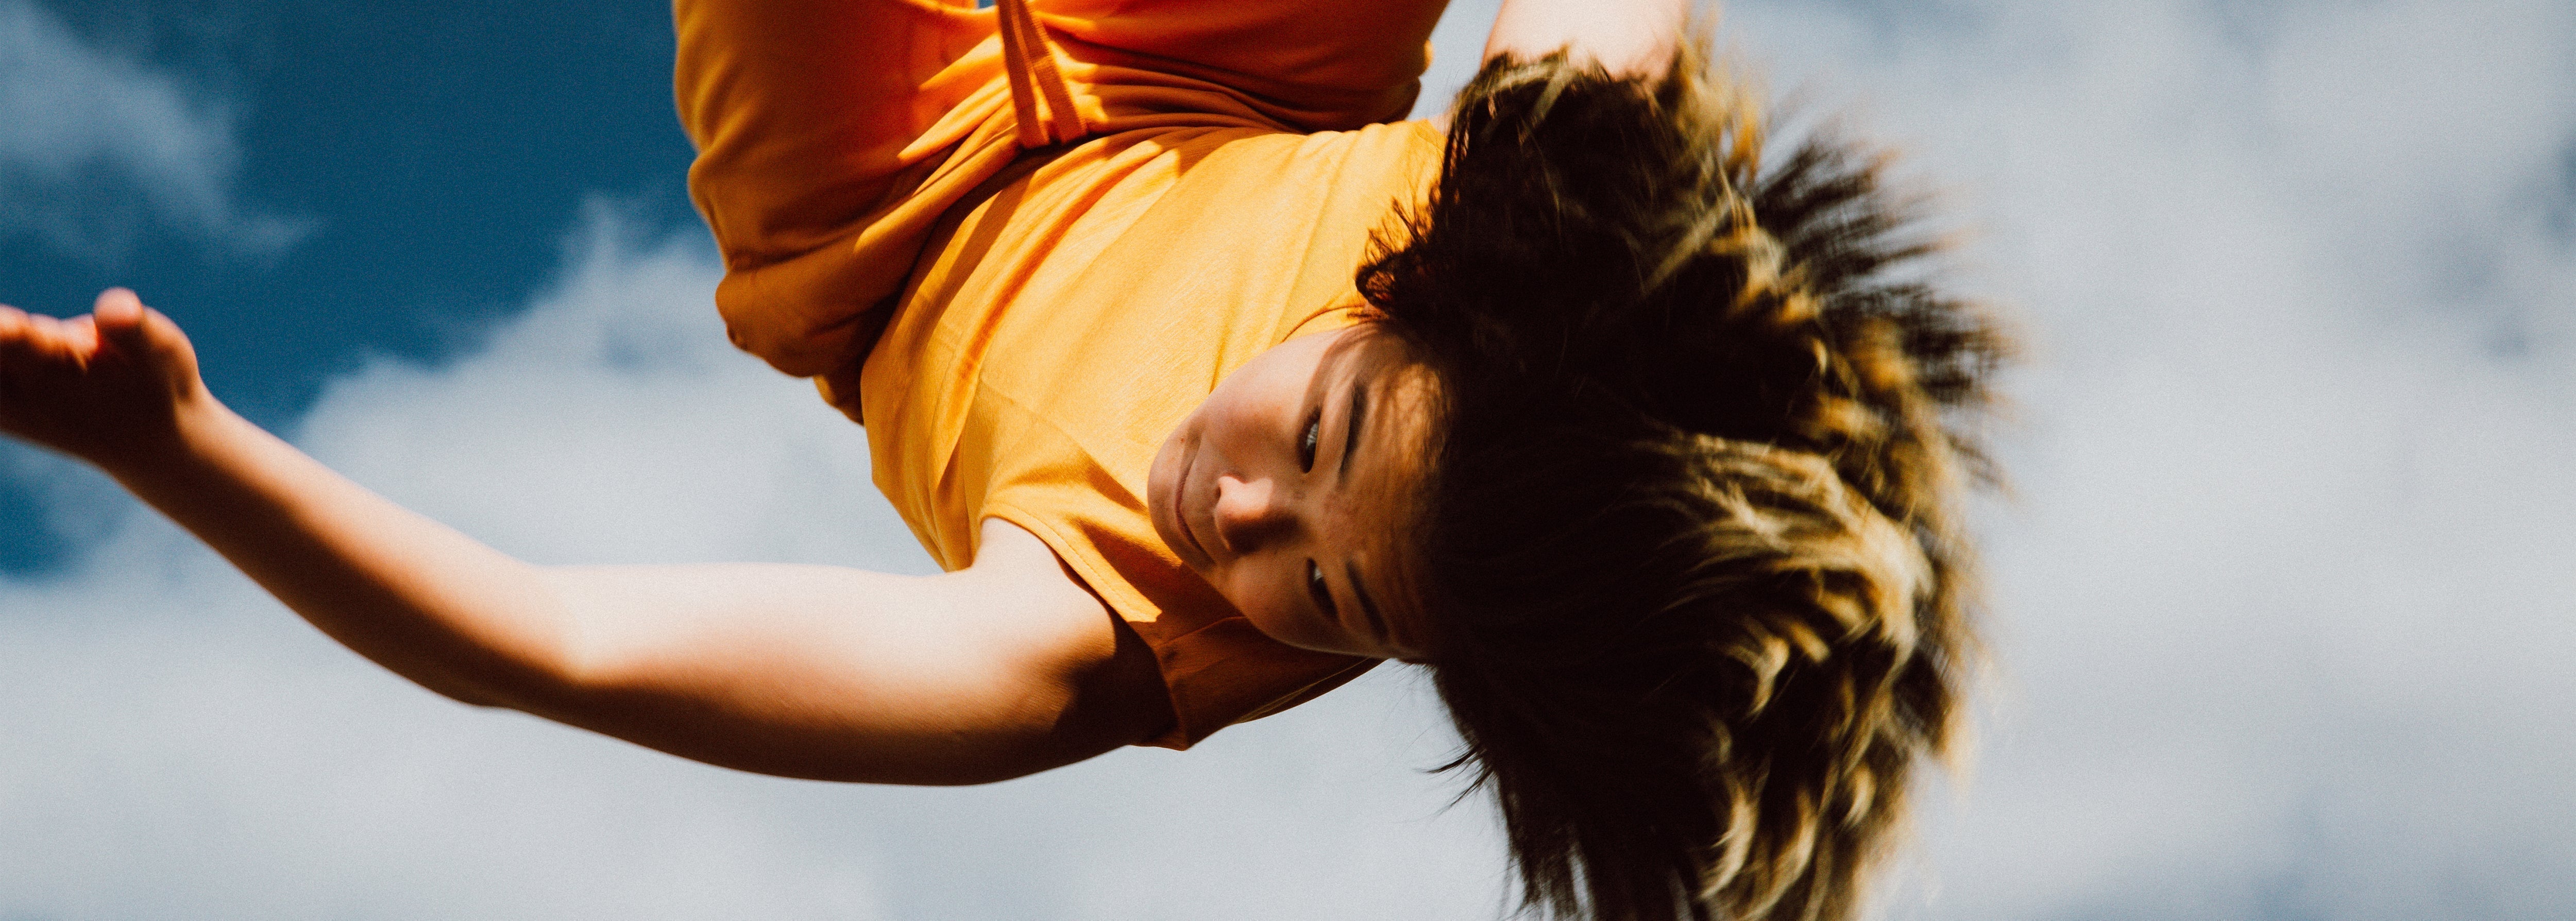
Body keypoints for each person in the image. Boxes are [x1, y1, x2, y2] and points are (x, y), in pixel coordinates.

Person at [0, 0, 2006, 918]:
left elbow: (553, 647)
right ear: (1436, 303)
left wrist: (168, 450)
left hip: (888, 194)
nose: (1233, 514)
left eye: (1321, 592)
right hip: (1215, 58)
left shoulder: (1081, 660)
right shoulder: (1524, 209)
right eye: (1312, 442)